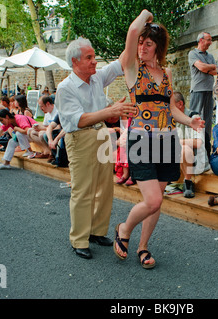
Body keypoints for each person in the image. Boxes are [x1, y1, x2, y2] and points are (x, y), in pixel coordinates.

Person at [113, 10, 205, 269]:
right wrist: (146, 15)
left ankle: (143, 247)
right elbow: (132, 32)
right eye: (141, 43)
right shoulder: (131, 67)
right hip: (141, 141)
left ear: (158, 48)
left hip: (167, 141)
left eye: (148, 43)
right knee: (153, 200)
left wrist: (190, 121)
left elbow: (171, 108)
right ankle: (124, 229)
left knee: (157, 201)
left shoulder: (166, 74)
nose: (142, 47)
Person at [55, 37, 136, 260]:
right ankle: (79, 239)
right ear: (74, 62)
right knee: (82, 191)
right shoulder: (65, 88)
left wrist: (135, 32)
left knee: (104, 188)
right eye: (89, 57)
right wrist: (112, 110)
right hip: (80, 139)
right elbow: (79, 120)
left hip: (101, 134)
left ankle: (97, 231)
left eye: (94, 56)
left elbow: (122, 61)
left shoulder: (96, 78)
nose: (94, 61)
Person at [174, 91, 209, 198]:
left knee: (184, 148)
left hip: (195, 160)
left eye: (171, 105)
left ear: (180, 104)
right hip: (178, 159)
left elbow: (197, 143)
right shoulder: (169, 118)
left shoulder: (194, 117)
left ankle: (188, 183)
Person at [188, 31, 216, 156]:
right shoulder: (193, 53)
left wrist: (207, 67)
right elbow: (203, 68)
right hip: (197, 91)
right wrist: (209, 67)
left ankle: (206, 150)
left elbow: (216, 71)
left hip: (209, 91)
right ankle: (193, 150)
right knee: (195, 119)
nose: (210, 42)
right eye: (209, 40)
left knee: (208, 120)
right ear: (201, 40)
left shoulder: (210, 56)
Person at [27, 95, 58, 159]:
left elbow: (58, 128)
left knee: (42, 134)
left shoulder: (57, 111)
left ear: (48, 104)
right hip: (49, 131)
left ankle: (51, 152)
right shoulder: (47, 113)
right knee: (31, 131)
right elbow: (45, 125)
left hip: (56, 133)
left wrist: (42, 128)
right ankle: (46, 150)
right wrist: (37, 127)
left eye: (41, 106)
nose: (41, 109)